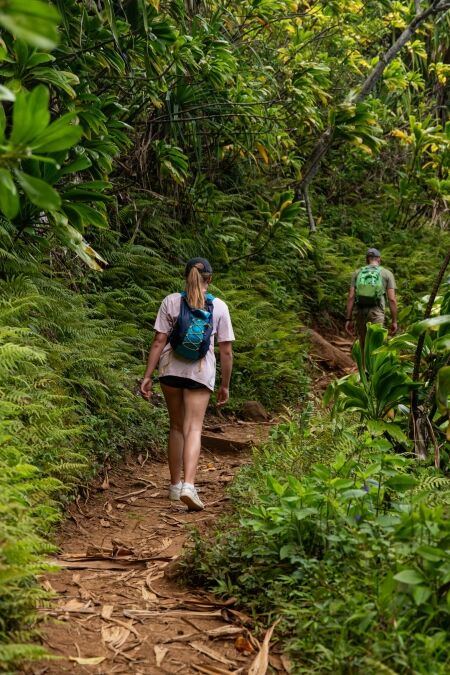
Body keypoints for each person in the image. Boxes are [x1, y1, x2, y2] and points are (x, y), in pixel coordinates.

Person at [140, 258, 234, 511]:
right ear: (210, 279)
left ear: (186, 276)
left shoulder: (171, 301)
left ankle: (173, 486)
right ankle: (189, 486)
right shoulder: (220, 307)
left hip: (170, 370)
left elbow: (159, 340)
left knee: (176, 427)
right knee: (193, 429)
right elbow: (225, 351)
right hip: (200, 373)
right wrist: (225, 385)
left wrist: (147, 376)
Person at [345, 247, 397, 356]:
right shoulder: (387, 273)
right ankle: (374, 371)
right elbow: (392, 299)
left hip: (359, 312)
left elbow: (351, 297)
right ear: (379, 259)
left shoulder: (357, 273)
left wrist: (348, 319)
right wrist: (394, 321)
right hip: (376, 312)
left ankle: (364, 370)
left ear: (367, 259)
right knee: (377, 345)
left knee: (363, 344)